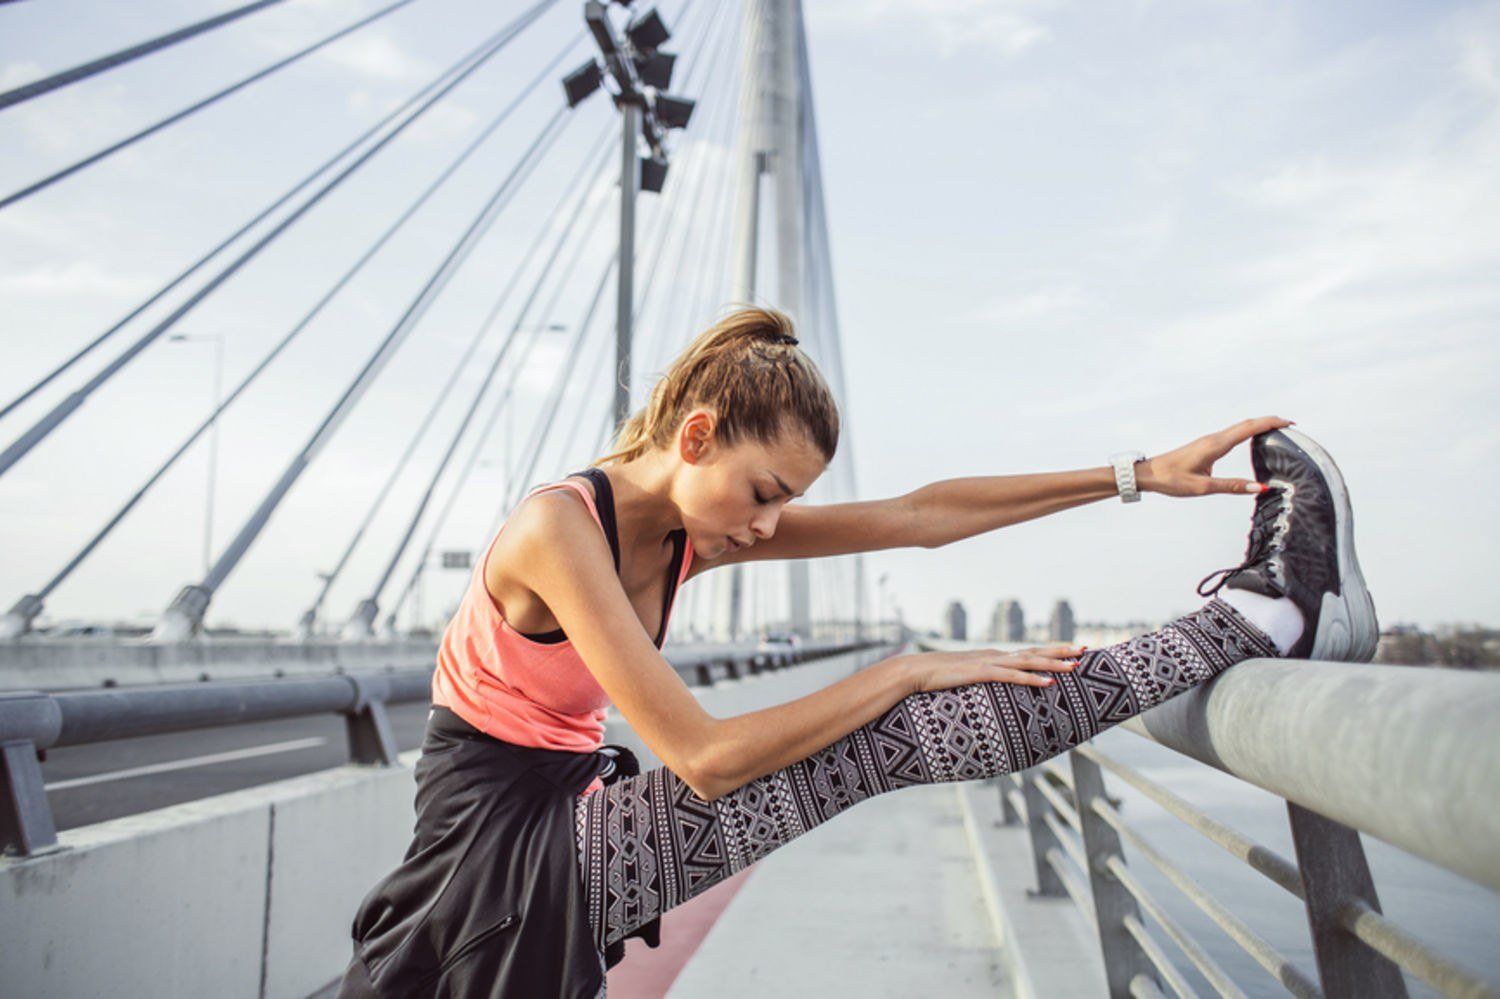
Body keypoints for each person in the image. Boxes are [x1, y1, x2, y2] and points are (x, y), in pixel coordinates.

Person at [336, 305, 1377, 998]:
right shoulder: (556, 530)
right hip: (496, 850)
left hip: (563, 814)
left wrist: (1137, 473)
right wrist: (901, 668)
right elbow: (702, 758)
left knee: (896, 729)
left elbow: (921, 515)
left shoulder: (695, 521)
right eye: (764, 494)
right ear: (695, 436)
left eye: (783, 504)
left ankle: (1264, 617)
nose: (767, 527)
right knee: (892, 729)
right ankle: (1264, 618)